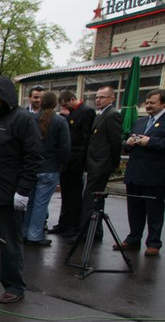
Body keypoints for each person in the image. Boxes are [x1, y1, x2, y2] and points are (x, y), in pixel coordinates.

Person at [0, 75, 43, 304]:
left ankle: (14, 285)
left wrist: (23, 190)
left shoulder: (22, 119)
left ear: (5, 97)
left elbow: (33, 157)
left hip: (9, 194)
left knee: (9, 243)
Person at [116, 89, 165, 256]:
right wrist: (128, 142)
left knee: (154, 211)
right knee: (134, 209)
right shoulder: (140, 121)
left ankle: (154, 243)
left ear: (163, 104)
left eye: (153, 103)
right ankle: (133, 238)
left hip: (155, 176)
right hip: (135, 173)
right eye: (147, 102)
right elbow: (128, 143)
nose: (148, 105)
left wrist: (150, 141)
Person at [23, 91, 71, 246]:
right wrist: (62, 165)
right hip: (49, 168)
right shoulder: (59, 122)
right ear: (55, 103)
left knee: (29, 202)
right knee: (40, 204)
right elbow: (65, 147)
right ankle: (35, 235)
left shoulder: (31, 120)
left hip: (32, 167)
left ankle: (24, 232)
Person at [49, 90, 95, 237]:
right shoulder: (71, 113)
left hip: (76, 159)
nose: (65, 108)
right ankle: (64, 222)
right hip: (68, 158)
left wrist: (80, 158)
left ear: (73, 99)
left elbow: (85, 137)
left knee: (74, 194)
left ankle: (73, 225)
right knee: (66, 193)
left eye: (66, 104)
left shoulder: (86, 112)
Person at [80, 85, 122, 241]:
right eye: (97, 97)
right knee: (95, 199)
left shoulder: (112, 115)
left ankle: (86, 234)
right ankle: (95, 231)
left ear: (112, 98)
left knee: (90, 198)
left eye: (102, 97)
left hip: (101, 164)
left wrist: (113, 163)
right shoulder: (100, 115)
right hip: (94, 163)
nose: (98, 100)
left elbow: (115, 142)